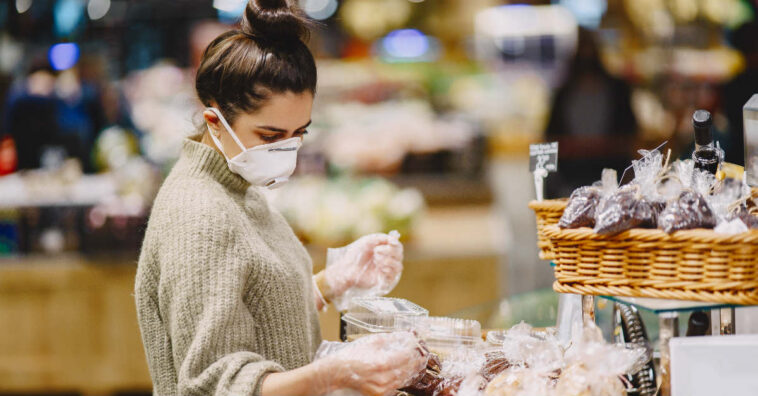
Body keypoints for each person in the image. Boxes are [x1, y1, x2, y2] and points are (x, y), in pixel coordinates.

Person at [134, 1, 426, 395]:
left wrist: (331, 283)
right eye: (270, 137)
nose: (286, 150)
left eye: (299, 133)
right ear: (215, 122)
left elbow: (252, 308)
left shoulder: (236, 185)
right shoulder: (200, 215)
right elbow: (213, 383)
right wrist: (334, 373)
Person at [544, 28, 638, 198]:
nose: (586, 55)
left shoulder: (618, 89)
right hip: (570, 174)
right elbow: (549, 135)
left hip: (612, 172)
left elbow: (631, 131)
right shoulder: (563, 92)